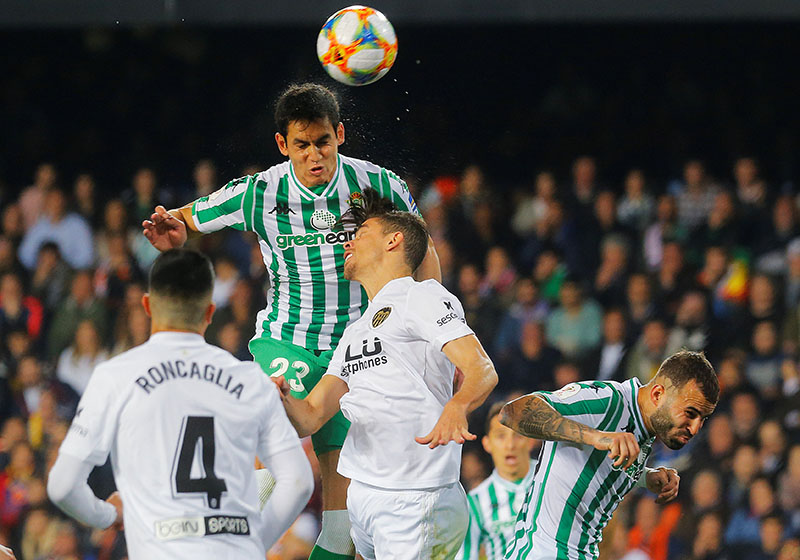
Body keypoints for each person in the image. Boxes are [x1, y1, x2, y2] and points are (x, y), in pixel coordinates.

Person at [142, 82, 440, 560]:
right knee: (272, 445)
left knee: (341, 527)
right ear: (283, 144)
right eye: (302, 145)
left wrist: (435, 331)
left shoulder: (378, 185)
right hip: (287, 339)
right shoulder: (261, 192)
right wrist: (174, 232)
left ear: (340, 134)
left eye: (323, 141)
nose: (314, 155)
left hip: (358, 354)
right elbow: (187, 219)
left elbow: (422, 253)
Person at [46, 248, 314, 559]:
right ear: (209, 313)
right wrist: (252, 544)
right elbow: (298, 482)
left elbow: (62, 486)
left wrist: (110, 515)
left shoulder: (115, 376)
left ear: (147, 305)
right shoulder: (251, 380)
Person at [274, 191, 497, 560]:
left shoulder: (422, 296)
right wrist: (281, 398)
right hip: (364, 493)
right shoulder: (355, 331)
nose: (348, 243)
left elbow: (482, 369)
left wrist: (457, 406)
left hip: (415, 497)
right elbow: (310, 417)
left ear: (393, 241)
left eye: (361, 234)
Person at [500, 350, 719, 560]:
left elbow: (596, 464)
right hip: (543, 553)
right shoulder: (609, 400)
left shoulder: (643, 430)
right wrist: (596, 436)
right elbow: (513, 412)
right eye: (690, 413)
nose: (695, 428)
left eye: (703, 419)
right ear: (657, 394)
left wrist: (646, 477)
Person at [456, 402, 538, 560]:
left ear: (530, 440)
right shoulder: (476, 500)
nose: (510, 445)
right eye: (501, 436)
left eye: (518, 435)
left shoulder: (551, 480)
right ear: (487, 443)